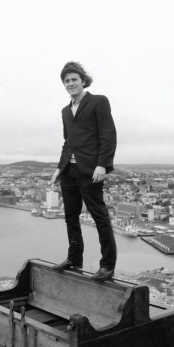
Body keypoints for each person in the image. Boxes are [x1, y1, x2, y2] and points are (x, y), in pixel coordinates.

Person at [51, 61, 117, 282]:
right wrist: (59, 168)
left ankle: (107, 266)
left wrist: (102, 164)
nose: (70, 83)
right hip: (69, 171)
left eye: (74, 80)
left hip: (90, 169)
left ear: (82, 81)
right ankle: (74, 259)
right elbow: (67, 142)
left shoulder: (98, 102)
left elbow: (108, 135)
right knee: (71, 217)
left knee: (100, 217)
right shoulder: (65, 111)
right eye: (66, 81)